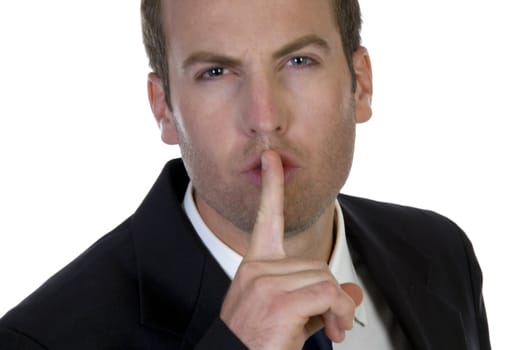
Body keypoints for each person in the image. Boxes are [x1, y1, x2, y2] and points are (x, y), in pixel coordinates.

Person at [0, 0, 491, 349]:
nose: (264, 116)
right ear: (164, 110)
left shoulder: (442, 253)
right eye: (216, 72)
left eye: (300, 61)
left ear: (360, 86)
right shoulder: (40, 339)